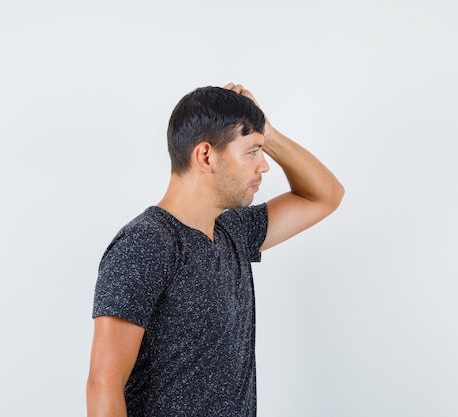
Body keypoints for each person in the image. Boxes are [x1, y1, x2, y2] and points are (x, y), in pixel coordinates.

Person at [86, 83, 344, 417]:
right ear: (206, 156)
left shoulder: (233, 230)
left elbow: (325, 195)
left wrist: (267, 131)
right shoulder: (145, 244)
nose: (264, 166)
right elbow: (104, 385)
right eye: (252, 151)